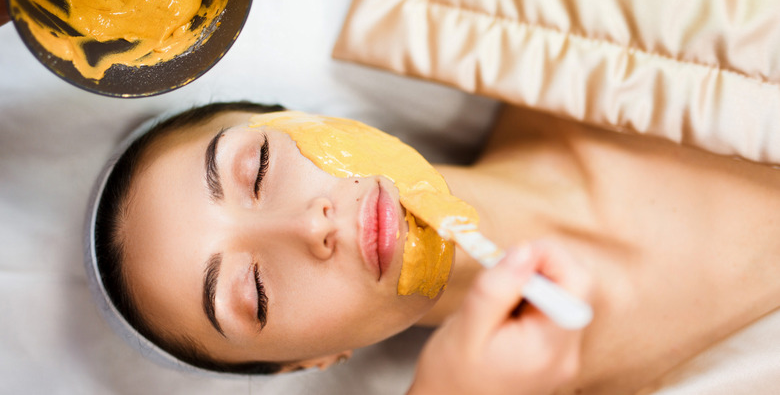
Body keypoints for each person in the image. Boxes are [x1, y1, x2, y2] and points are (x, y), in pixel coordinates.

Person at [90, 100, 780, 394]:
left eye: (260, 168)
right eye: (255, 294)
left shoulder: (596, 11)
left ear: (306, 115)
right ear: (313, 362)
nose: (309, 227)